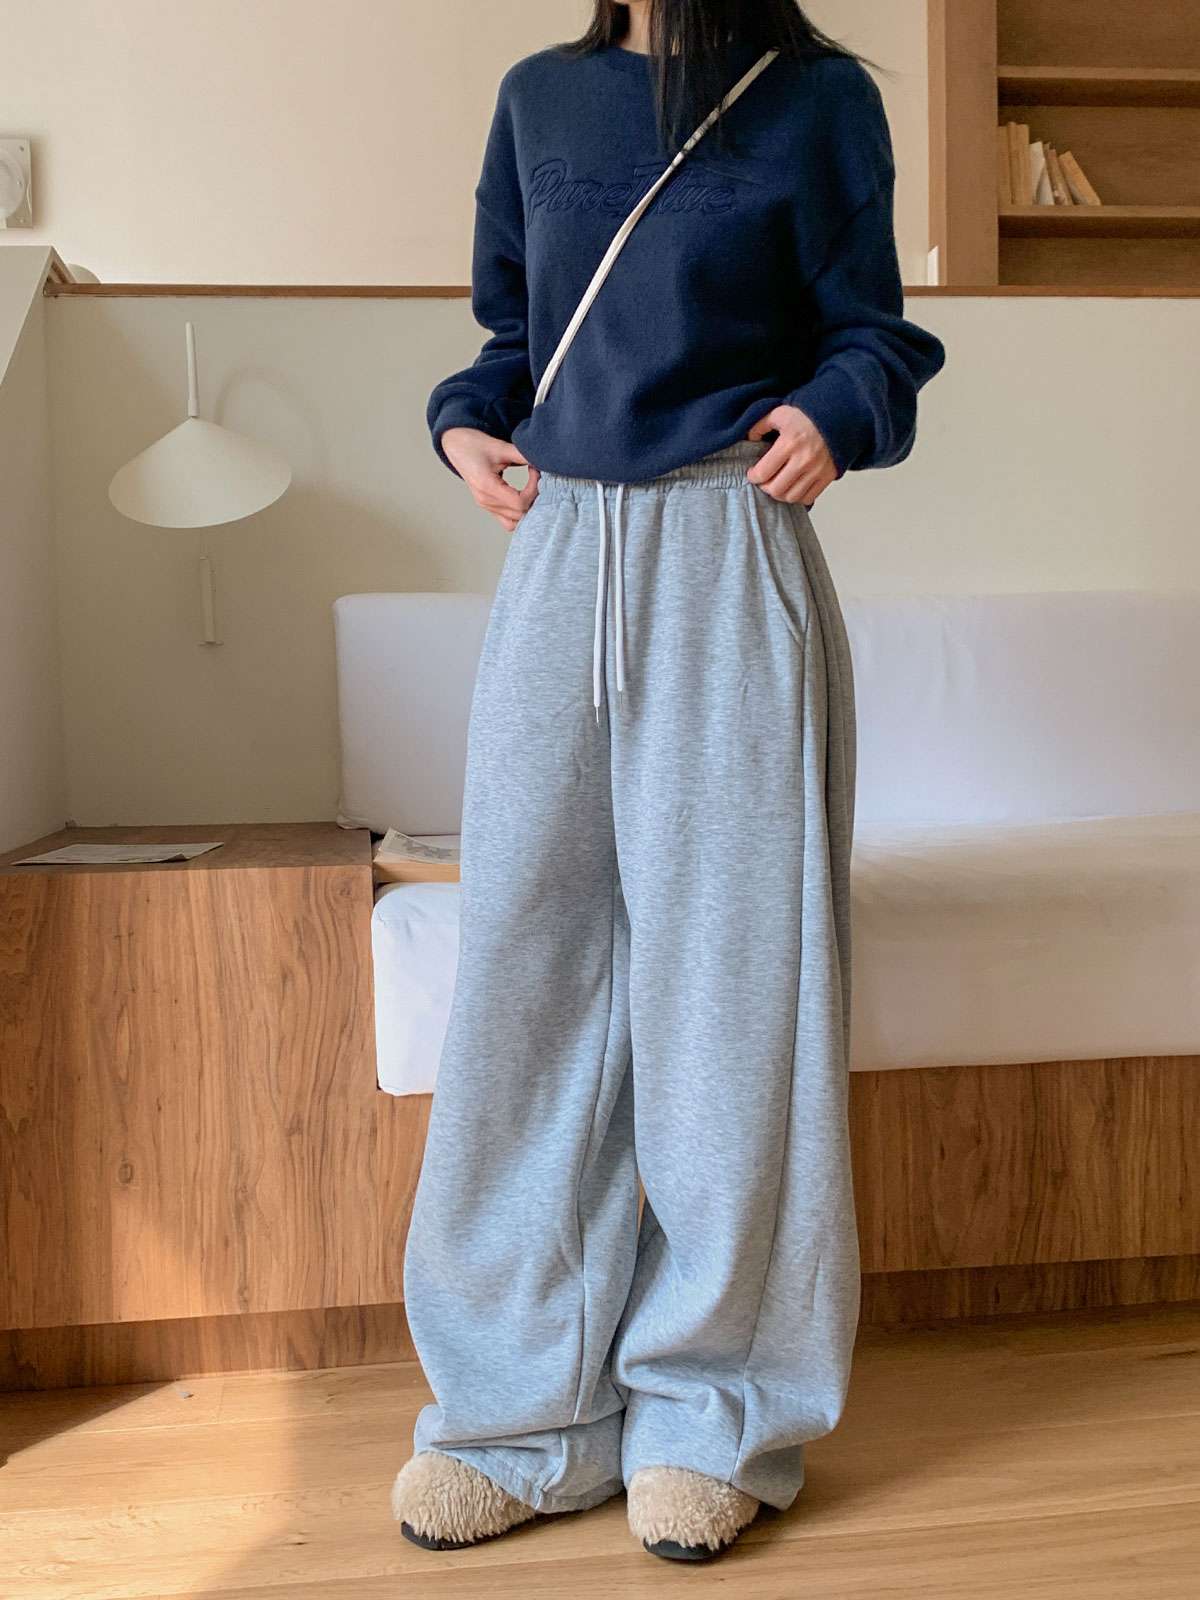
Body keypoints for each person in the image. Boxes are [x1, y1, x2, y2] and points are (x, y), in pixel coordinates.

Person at [393, 0, 946, 1564]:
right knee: (526, 982)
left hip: (729, 540)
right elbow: (516, 339)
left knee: (734, 996)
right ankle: (519, 1418)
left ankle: (715, 1413)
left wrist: (837, 412)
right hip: (561, 548)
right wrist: (464, 425)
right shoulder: (540, 99)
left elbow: (873, 335)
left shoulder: (816, 101)